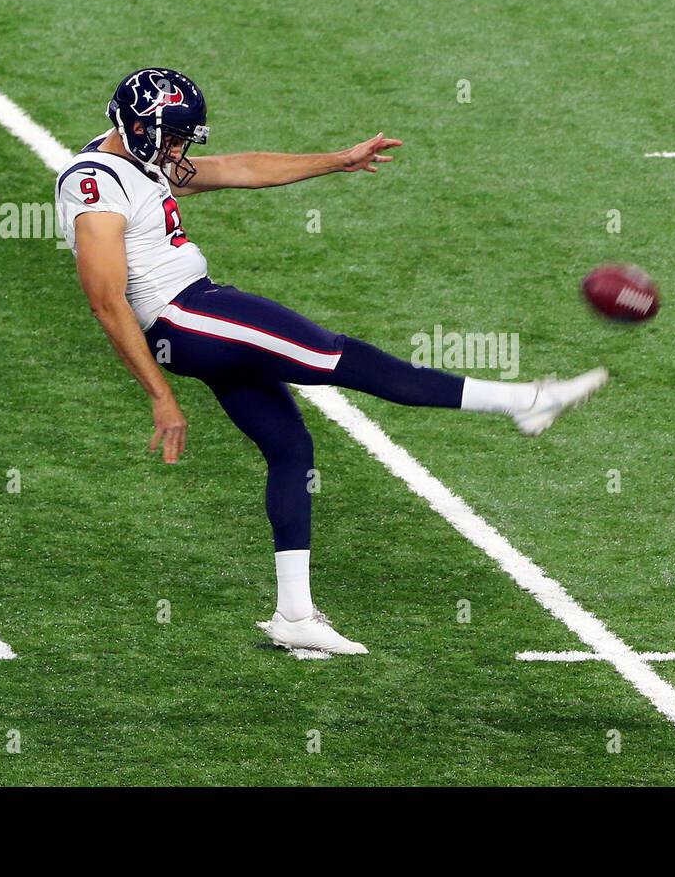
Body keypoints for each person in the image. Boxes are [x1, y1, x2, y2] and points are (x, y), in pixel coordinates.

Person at [55, 67, 607, 654]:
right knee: (339, 356)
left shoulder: (136, 156)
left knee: (291, 448)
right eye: (171, 137)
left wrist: (336, 160)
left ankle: (294, 613)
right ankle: (526, 401)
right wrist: (161, 397)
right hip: (184, 316)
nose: (179, 151)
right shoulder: (94, 182)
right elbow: (105, 299)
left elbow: (233, 169)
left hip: (198, 309)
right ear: (138, 126)